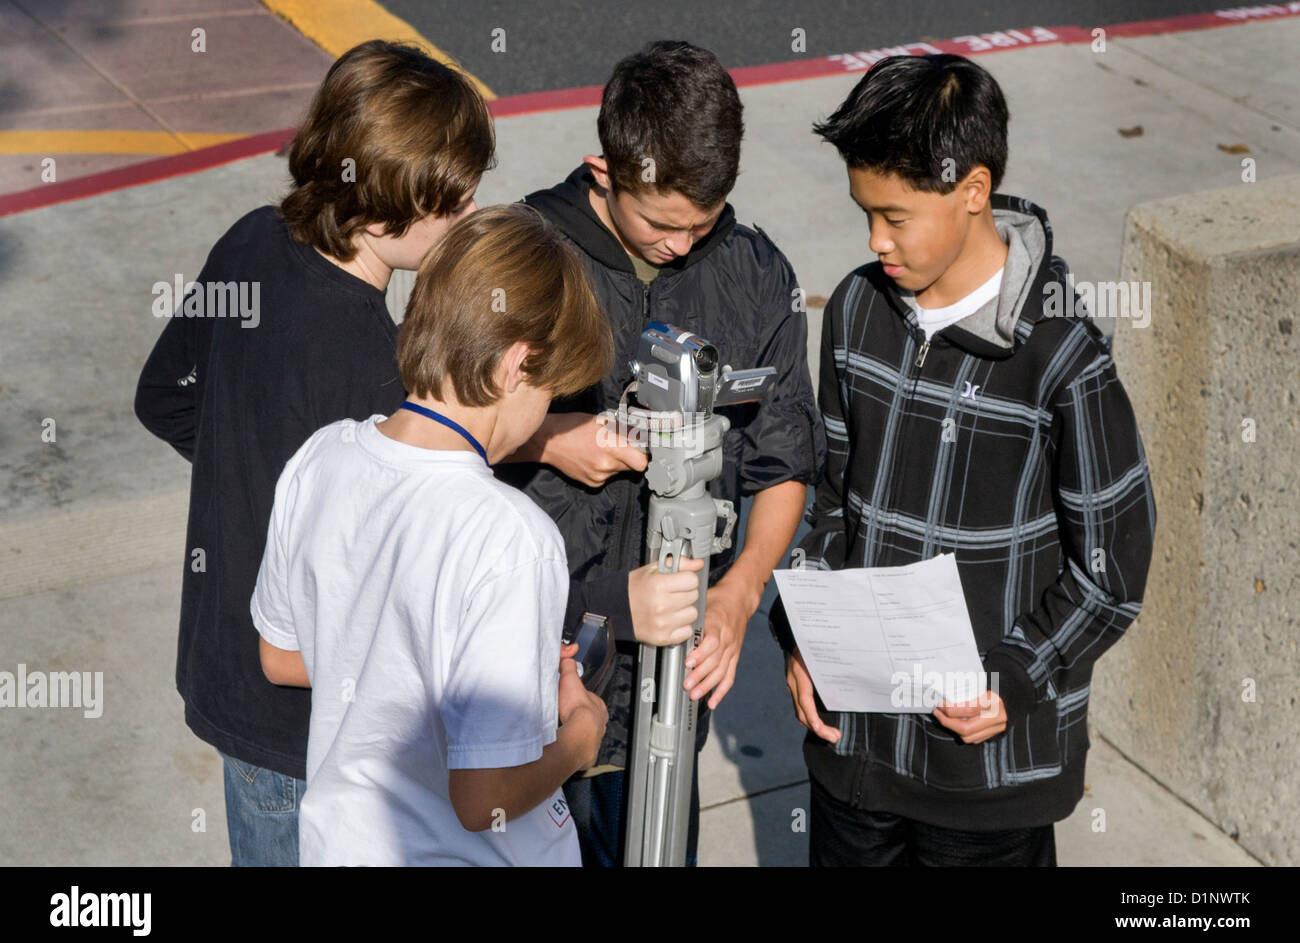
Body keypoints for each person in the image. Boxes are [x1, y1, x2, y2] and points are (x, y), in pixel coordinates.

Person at [773, 53, 1157, 866]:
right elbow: (832, 501)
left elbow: (1113, 569)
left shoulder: (1060, 354)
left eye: (897, 216)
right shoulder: (855, 310)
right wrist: (800, 632)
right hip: (854, 761)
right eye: (862, 212)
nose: (875, 241)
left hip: (986, 783)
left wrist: (1015, 677)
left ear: (973, 190)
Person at [132, 39, 494, 866]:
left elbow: (164, 397)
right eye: (455, 199)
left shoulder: (252, 240)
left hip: (224, 666)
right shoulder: (374, 363)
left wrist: (247, 463)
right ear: (388, 210)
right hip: (304, 731)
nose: (471, 211)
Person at [499, 40, 826, 866]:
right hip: (527, 680)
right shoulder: (520, 258)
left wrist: (741, 593)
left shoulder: (755, 274)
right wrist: (550, 437)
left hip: (668, 696)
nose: (681, 246)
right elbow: (432, 427)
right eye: (661, 223)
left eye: (702, 223)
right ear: (602, 169)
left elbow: (786, 458)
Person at [252, 204, 612, 866]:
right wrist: (581, 737)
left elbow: (282, 655)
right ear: (515, 366)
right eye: (550, 392)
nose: (544, 413)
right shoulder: (509, 537)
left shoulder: (320, 458)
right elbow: (484, 801)